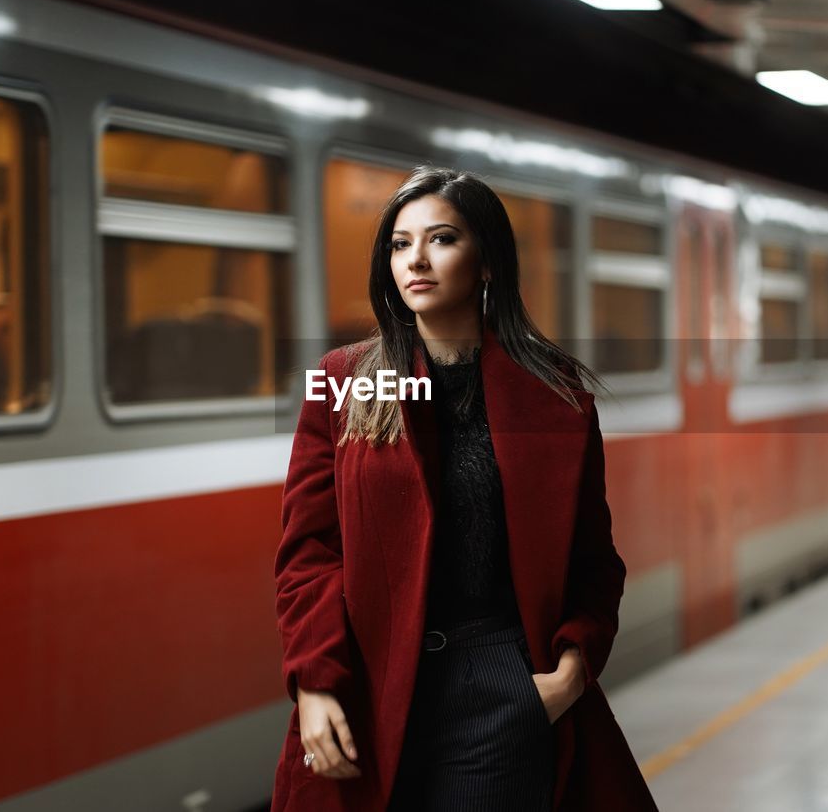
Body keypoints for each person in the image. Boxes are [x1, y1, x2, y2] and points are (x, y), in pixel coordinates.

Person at [271, 166, 659, 811]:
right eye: (399, 243)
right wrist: (314, 682)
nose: (415, 260)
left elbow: (593, 558)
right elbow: (309, 553)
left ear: (486, 263)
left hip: (498, 686)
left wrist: (571, 669)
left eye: (441, 239)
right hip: (372, 685)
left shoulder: (554, 394)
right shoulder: (347, 381)